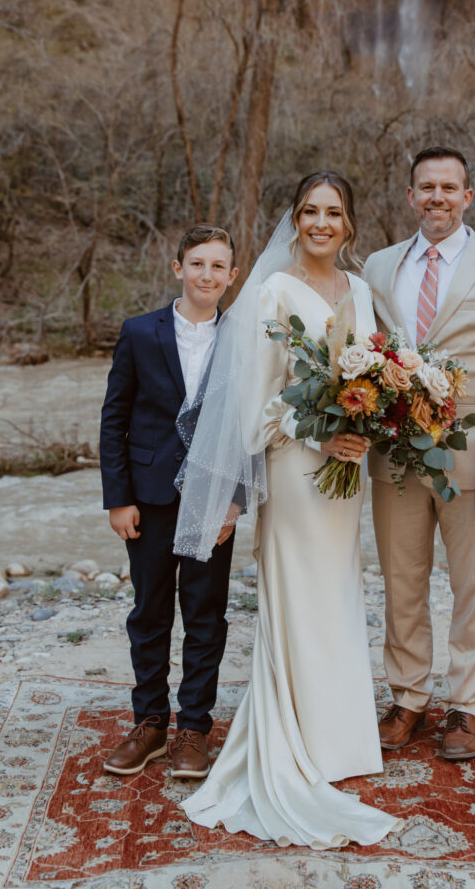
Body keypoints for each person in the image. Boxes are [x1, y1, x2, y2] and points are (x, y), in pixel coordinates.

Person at [174, 172, 401, 849]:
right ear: (295, 220)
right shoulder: (272, 291)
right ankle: (295, 739)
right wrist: (319, 433)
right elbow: (255, 399)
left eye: (333, 212)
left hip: (347, 466)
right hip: (296, 466)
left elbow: (372, 373)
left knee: (337, 592)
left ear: (350, 223)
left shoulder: (360, 291)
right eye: (309, 211)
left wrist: (369, 420)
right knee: (299, 594)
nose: (321, 222)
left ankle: (340, 743)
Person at [362, 147, 475, 761]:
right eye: (426, 187)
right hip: (395, 456)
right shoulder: (379, 267)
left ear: (468, 196)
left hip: (473, 461)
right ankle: (408, 697)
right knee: (401, 582)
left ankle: (466, 706)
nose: (437, 197)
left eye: (449, 187)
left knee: (473, 587)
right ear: (410, 197)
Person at [99, 225, 239, 778]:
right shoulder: (139, 332)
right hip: (150, 497)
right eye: (197, 264)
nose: (207, 275)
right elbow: (115, 418)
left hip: (213, 497)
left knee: (205, 615)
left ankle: (195, 729)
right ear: (178, 267)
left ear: (233, 276)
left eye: (218, 267)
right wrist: (118, 499)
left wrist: (234, 503)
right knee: (150, 612)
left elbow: (248, 429)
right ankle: (150, 723)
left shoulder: (243, 337)